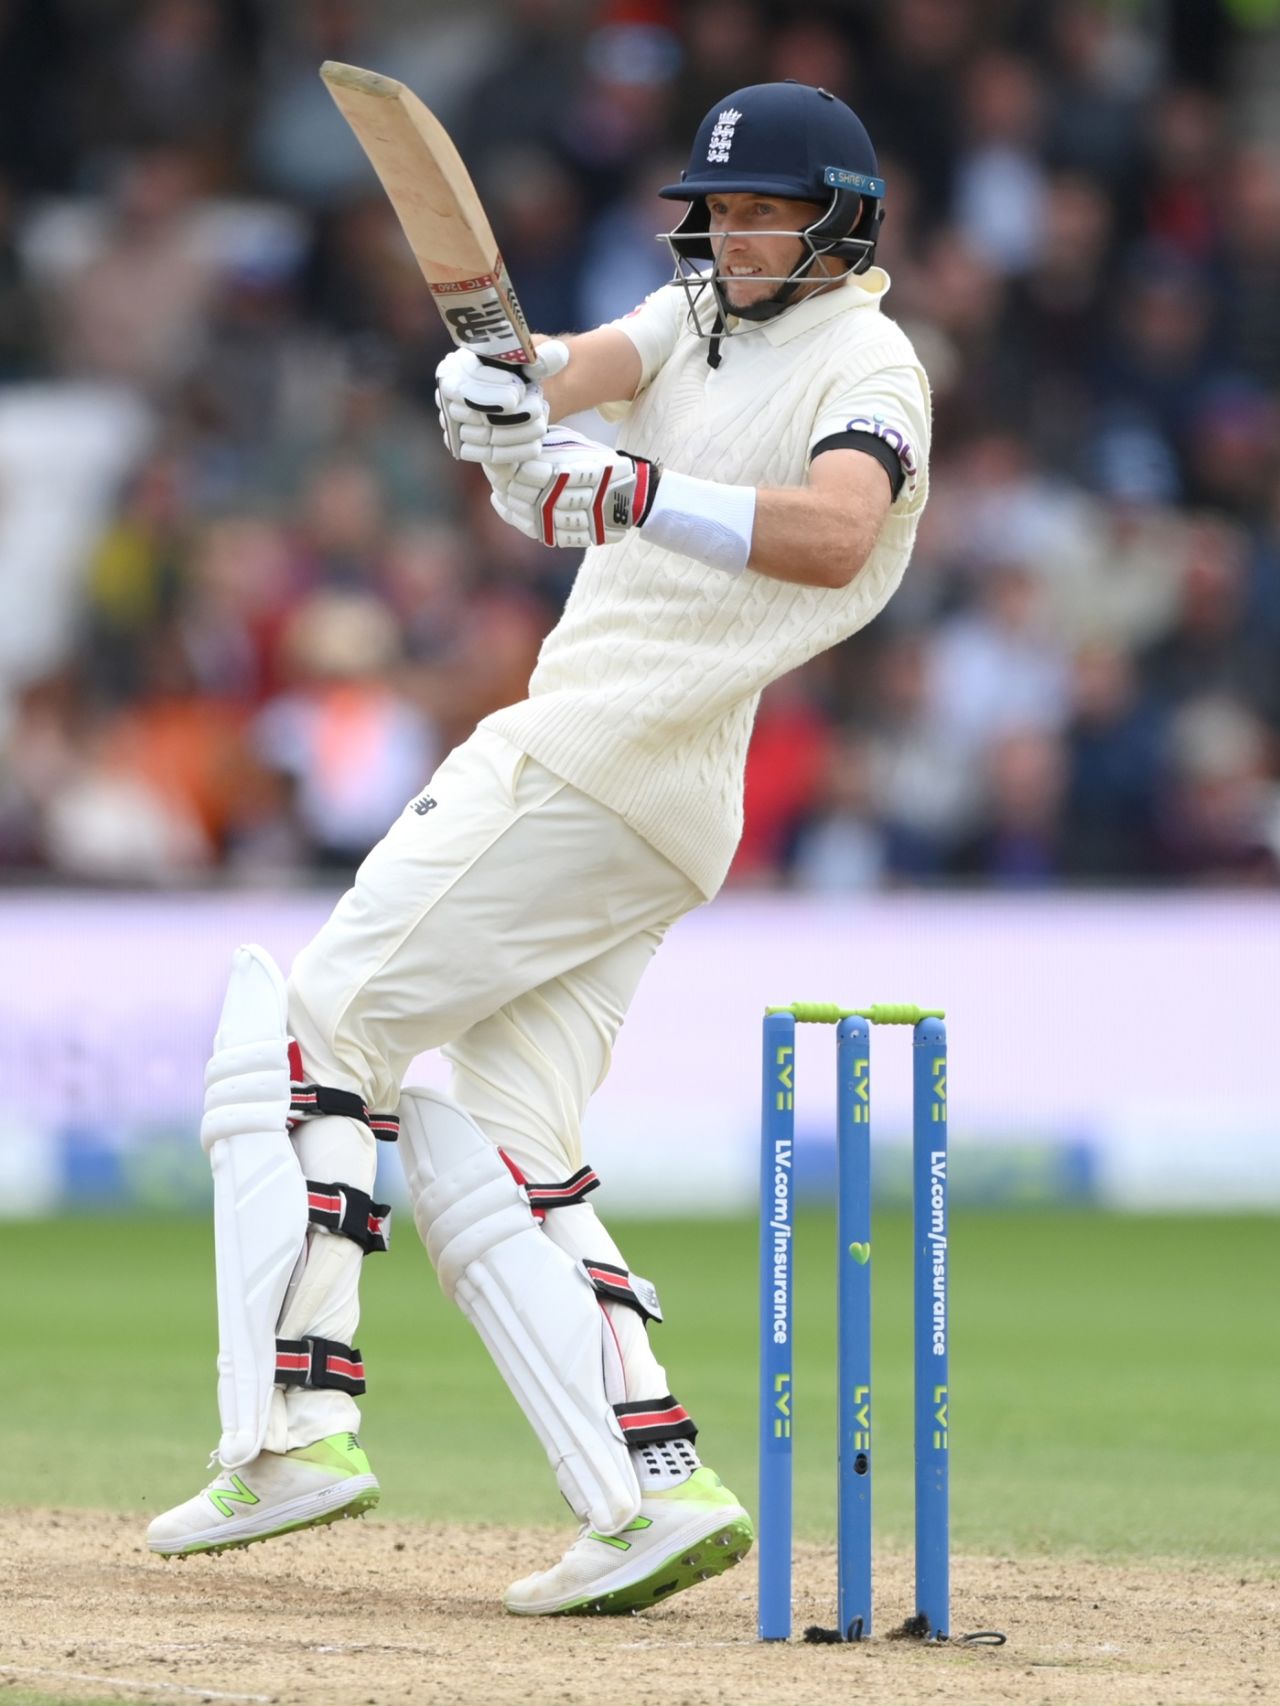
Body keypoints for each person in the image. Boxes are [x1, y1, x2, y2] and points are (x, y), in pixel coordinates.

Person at [147, 80, 931, 1619]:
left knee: (304, 1032)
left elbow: (839, 528)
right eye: (718, 211)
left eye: (768, 211)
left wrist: (627, 481)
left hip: (587, 760)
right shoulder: (696, 315)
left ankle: (291, 1433)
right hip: (656, 802)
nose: (735, 236)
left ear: (841, 220)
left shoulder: (873, 360)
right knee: (494, 1127)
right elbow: (580, 371)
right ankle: (649, 1488)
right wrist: (515, 399)